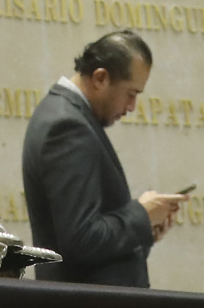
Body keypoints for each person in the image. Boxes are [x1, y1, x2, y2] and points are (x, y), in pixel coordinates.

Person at [22, 30, 184, 286]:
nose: (131, 107)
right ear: (100, 78)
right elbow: (81, 240)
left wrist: (144, 231)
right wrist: (141, 215)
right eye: (131, 94)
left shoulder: (68, 116)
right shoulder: (67, 126)